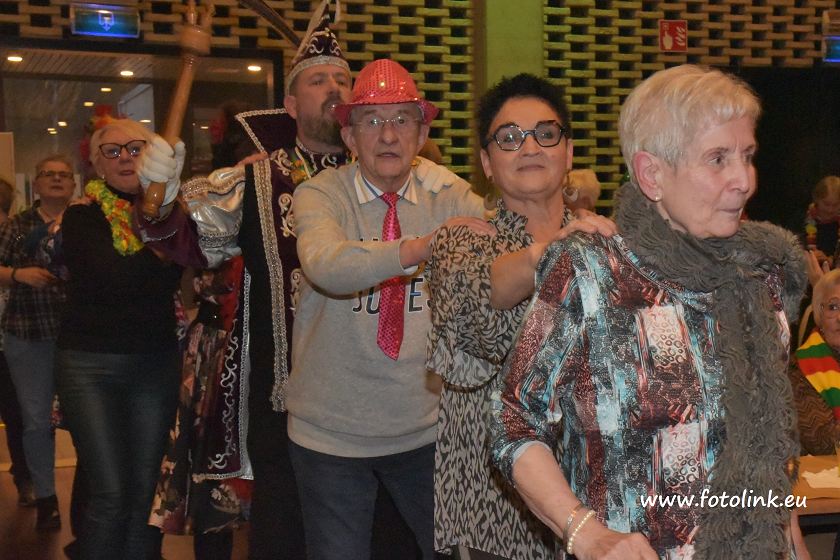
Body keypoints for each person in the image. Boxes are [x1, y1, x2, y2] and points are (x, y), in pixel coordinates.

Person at [489, 64, 809, 559]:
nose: (743, 180)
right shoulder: (592, 272)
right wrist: (586, 534)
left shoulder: (757, 276)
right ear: (651, 174)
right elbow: (513, 420)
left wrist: (794, 546)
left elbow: (767, 444)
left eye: (747, 156)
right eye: (717, 159)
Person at [283, 57, 485, 560]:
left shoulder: (448, 195)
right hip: (330, 433)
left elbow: (502, 245)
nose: (389, 135)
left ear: (422, 134)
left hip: (426, 428)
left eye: (402, 120)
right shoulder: (320, 194)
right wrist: (419, 247)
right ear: (349, 137)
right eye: (371, 121)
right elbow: (325, 263)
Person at [426, 74, 615, 559]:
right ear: (487, 163)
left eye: (545, 134)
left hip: (596, 501)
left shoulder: (603, 240)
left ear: (568, 153)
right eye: (509, 137)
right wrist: (555, 251)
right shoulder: (461, 241)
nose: (529, 146)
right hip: (495, 509)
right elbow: (482, 309)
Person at [55, 117, 202, 559]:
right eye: (113, 151)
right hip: (89, 366)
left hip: (153, 363)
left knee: (145, 494)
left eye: (136, 149)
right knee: (110, 492)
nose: (125, 158)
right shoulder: (82, 215)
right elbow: (110, 280)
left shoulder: (172, 215)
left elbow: (162, 280)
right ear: (96, 164)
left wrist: (164, 236)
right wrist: (163, 246)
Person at [0, 155, 74, 531]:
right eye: (49, 174)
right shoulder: (17, 225)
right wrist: (18, 274)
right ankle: (46, 499)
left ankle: (92, 501)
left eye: (64, 175)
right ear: (37, 183)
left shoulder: (85, 221)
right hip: (27, 334)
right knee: (35, 421)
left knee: (86, 421)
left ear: (74, 183)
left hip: (81, 337)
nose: (57, 180)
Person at [0, 177, 35, 508]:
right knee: (17, 414)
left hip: (12, 336)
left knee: (17, 413)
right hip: (13, 336)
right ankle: (25, 478)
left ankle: (25, 477)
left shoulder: (17, 232)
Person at [804, 175, 840, 264]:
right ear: (816, 199)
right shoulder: (802, 218)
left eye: (835, 205)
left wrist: (830, 260)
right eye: (826, 204)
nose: (830, 210)